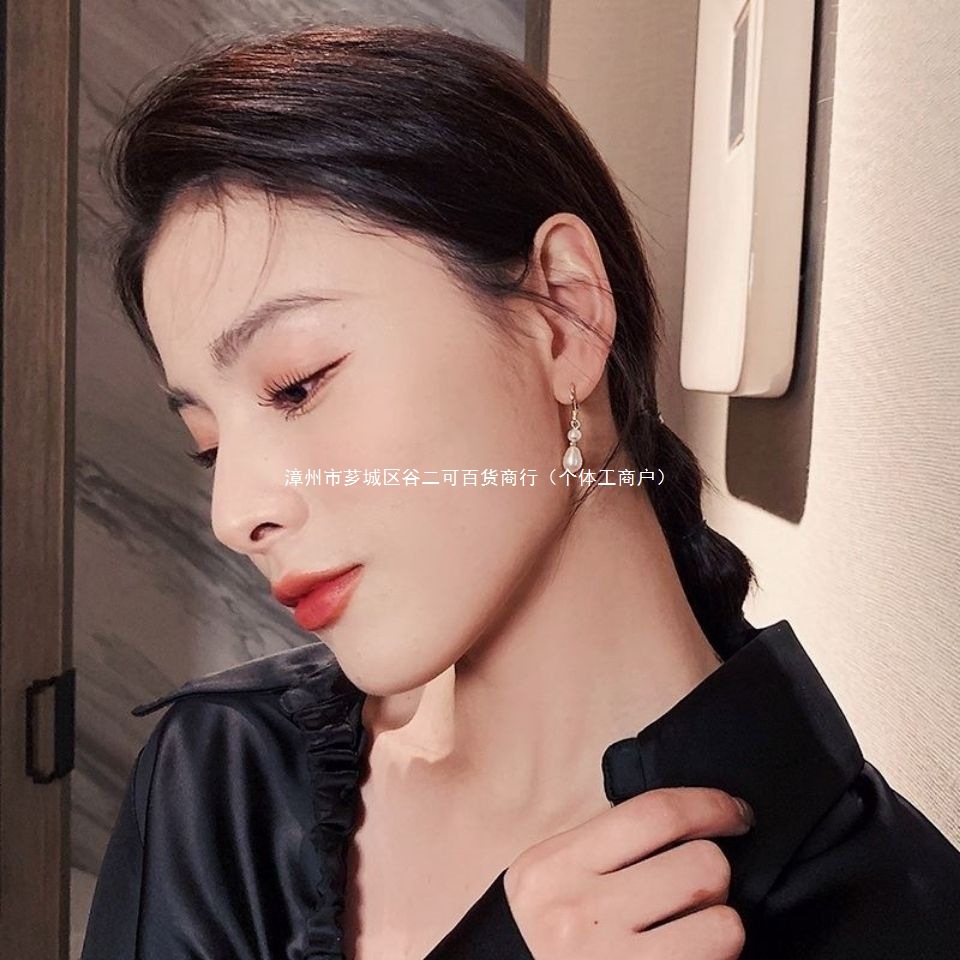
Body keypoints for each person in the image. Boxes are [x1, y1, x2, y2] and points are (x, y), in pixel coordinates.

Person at [81, 23, 960, 960]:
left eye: (297, 385)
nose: (234, 515)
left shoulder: (896, 913)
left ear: (564, 314)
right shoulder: (221, 776)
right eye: (209, 446)